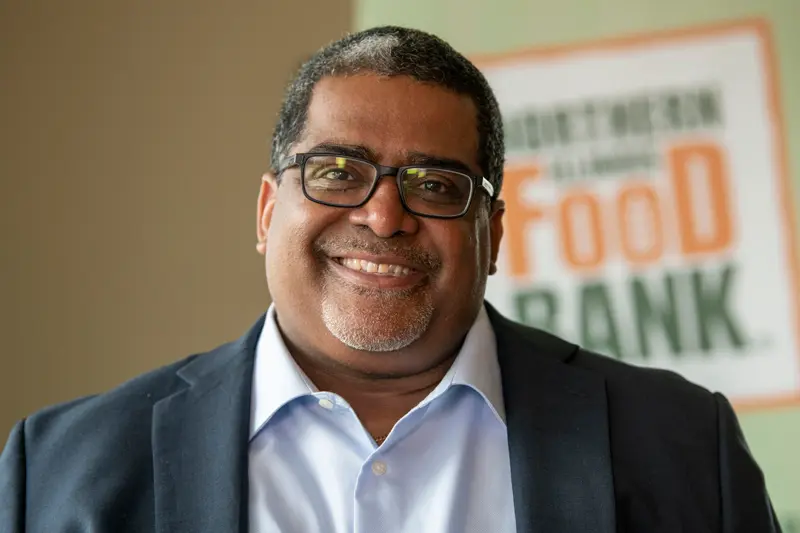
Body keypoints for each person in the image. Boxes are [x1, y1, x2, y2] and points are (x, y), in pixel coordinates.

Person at [0, 25, 782, 533]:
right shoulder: (61, 471)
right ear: (268, 210)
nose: (382, 216)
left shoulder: (683, 447)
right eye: (338, 171)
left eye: (435, 185)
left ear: (493, 232)